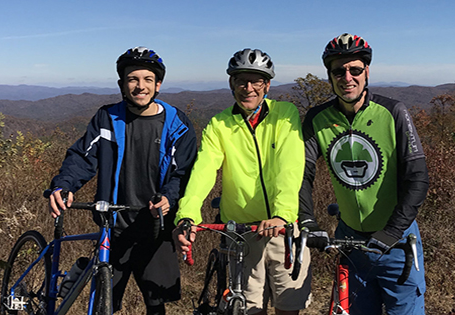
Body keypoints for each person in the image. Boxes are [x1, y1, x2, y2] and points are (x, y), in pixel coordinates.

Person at [47, 47, 197, 315]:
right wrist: (64, 184)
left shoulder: (178, 124)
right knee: (104, 304)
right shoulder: (107, 118)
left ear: (158, 84)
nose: (141, 86)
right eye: (133, 79)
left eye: (148, 79)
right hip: (113, 228)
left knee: (156, 303)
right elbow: (83, 156)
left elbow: (182, 173)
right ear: (122, 84)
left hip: (156, 228)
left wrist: (168, 198)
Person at [172, 48, 312, 315]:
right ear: (231, 84)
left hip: (282, 232)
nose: (248, 88)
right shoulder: (219, 124)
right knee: (248, 310)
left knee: (288, 308)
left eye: (256, 81)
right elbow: (204, 170)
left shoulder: (285, 115)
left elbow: (290, 166)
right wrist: (187, 215)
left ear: (267, 85)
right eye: (240, 80)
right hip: (241, 235)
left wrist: (283, 215)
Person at [299, 33, 429, 314]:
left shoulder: (393, 111)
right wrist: (307, 221)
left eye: (355, 69)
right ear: (330, 76)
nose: (347, 77)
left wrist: (392, 231)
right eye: (339, 70)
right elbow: (301, 174)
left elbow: (417, 177)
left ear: (366, 71)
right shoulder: (317, 118)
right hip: (350, 242)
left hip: (398, 243)